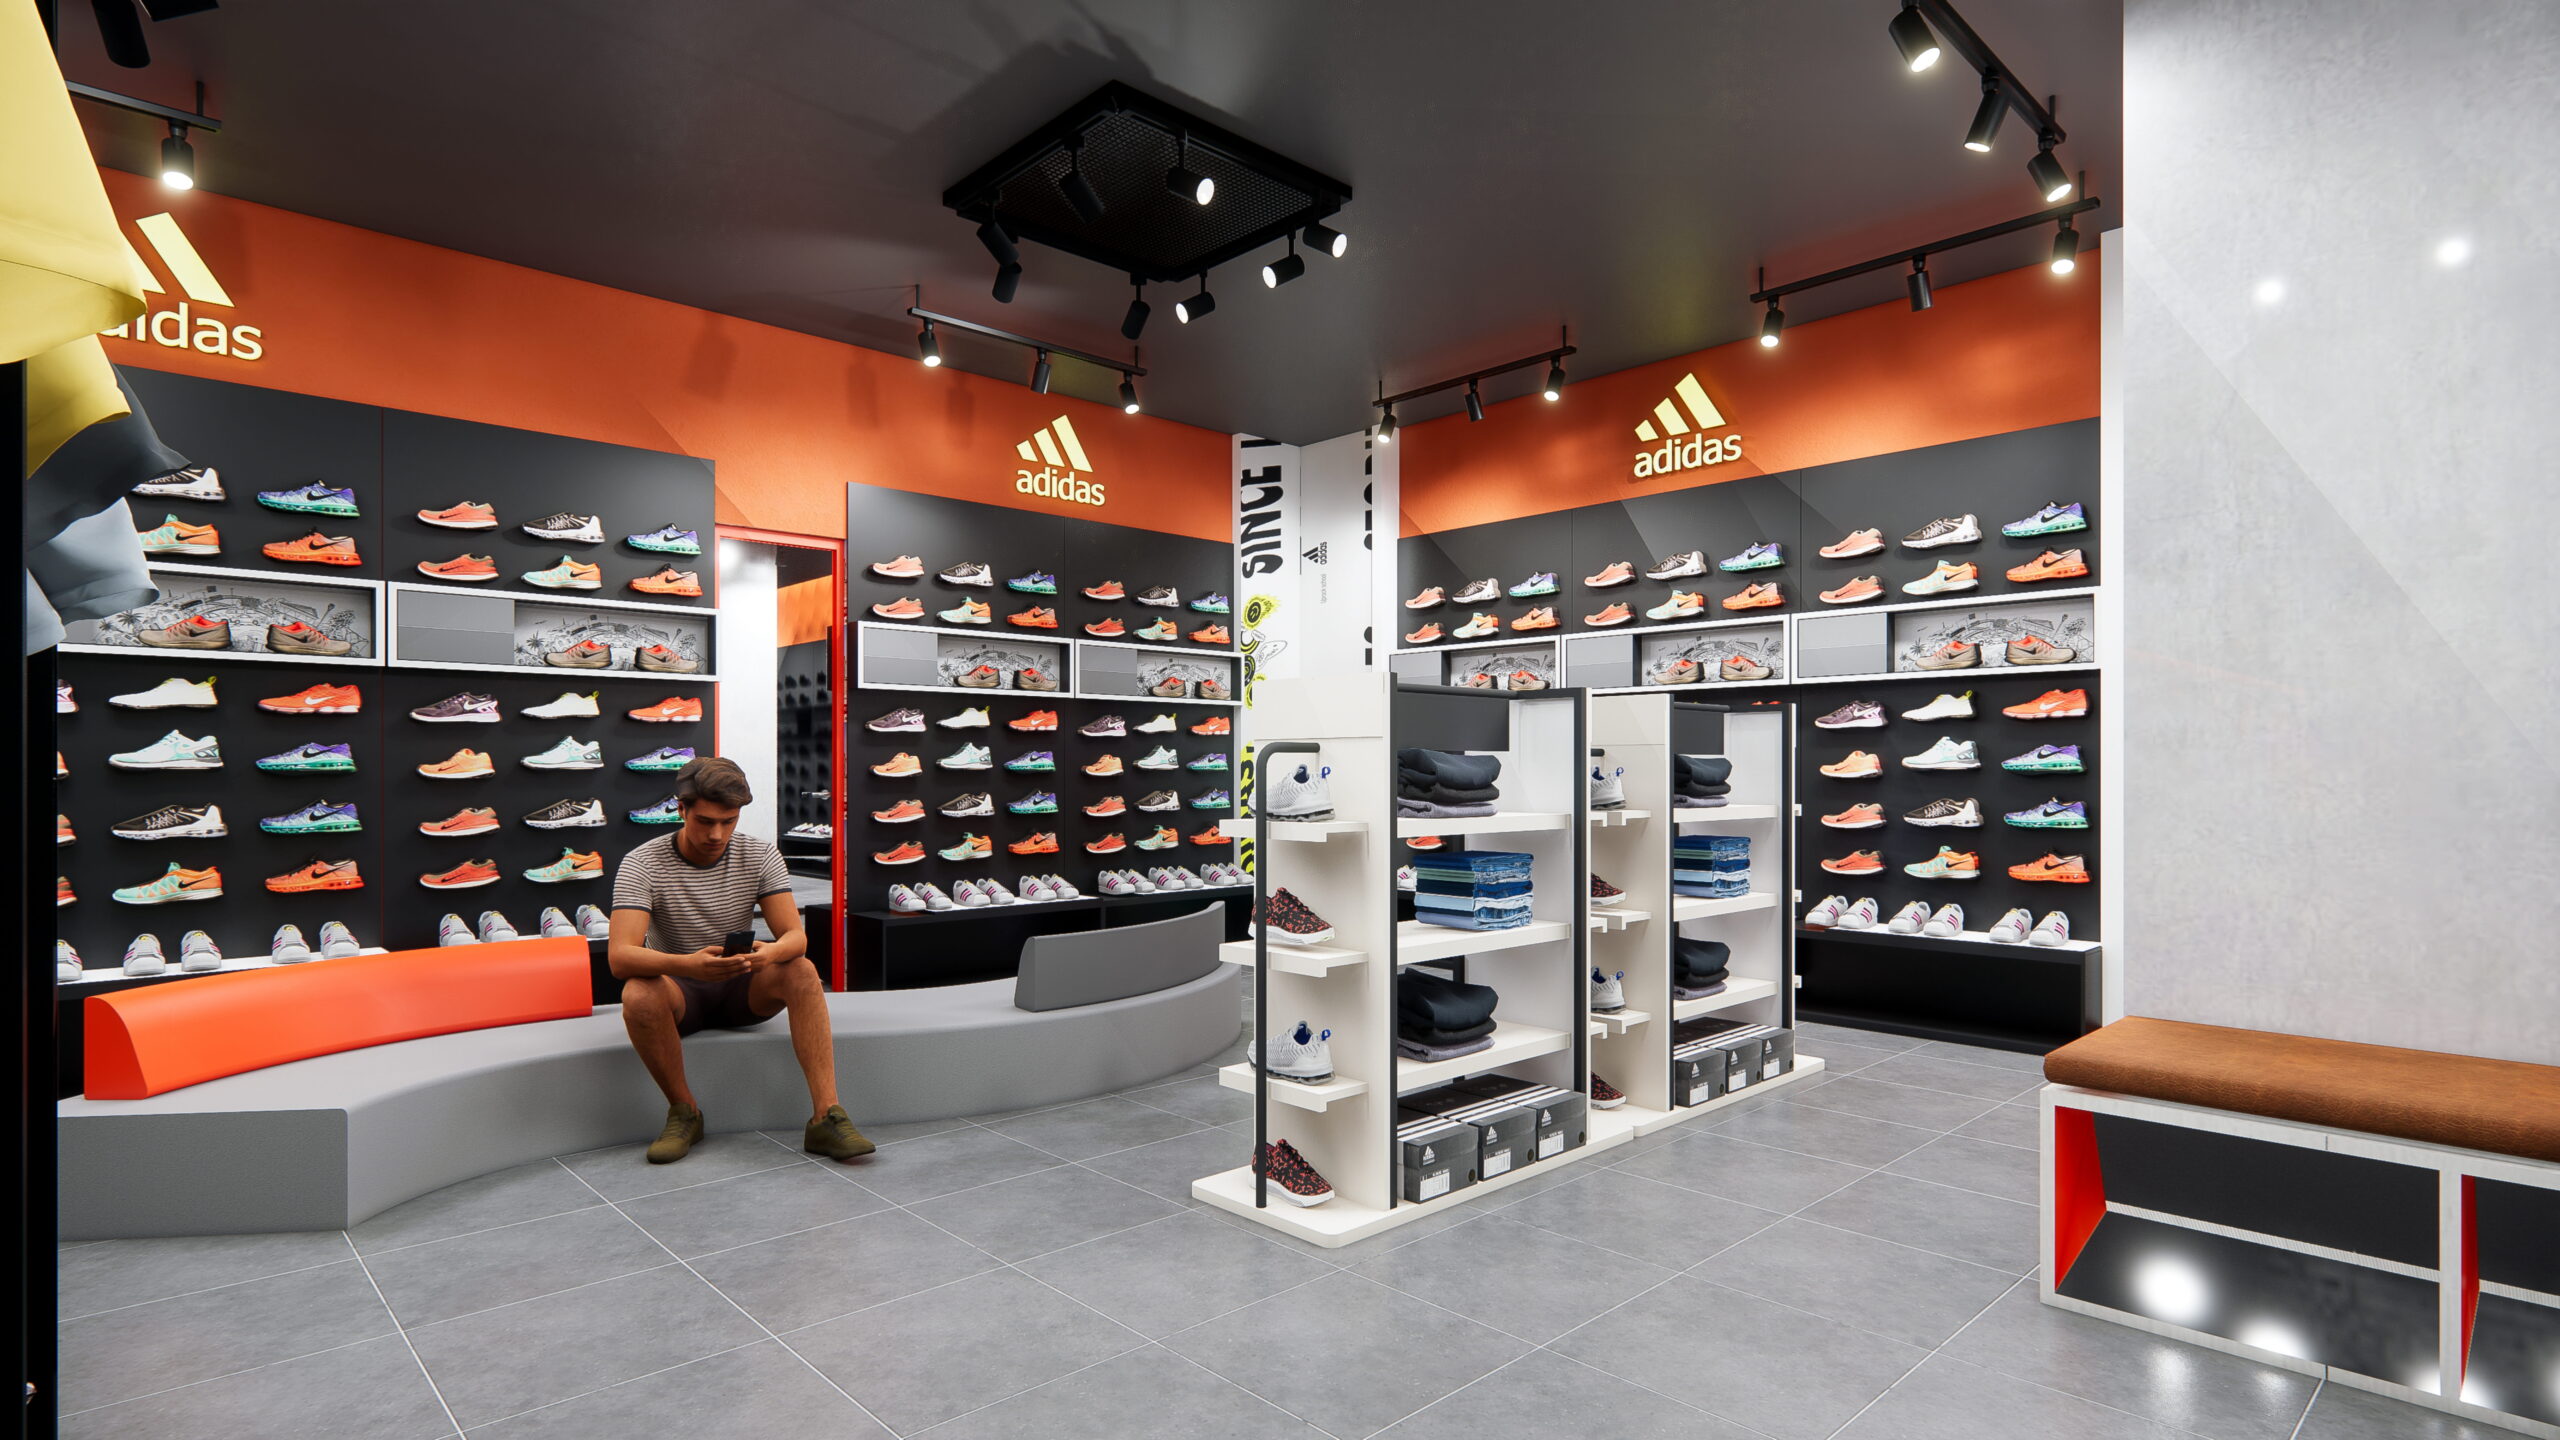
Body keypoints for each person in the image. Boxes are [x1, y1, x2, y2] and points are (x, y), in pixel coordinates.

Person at [608, 756, 872, 1164]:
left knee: (801, 970)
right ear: (681, 810)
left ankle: (826, 1117)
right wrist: (688, 965)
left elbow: (796, 937)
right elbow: (620, 958)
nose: (717, 834)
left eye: (728, 822)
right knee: (639, 993)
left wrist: (771, 953)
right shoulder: (642, 862)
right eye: (705, 821)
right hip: (681, 992)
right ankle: (684, 1112)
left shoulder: (759, 854)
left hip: (742, 987)